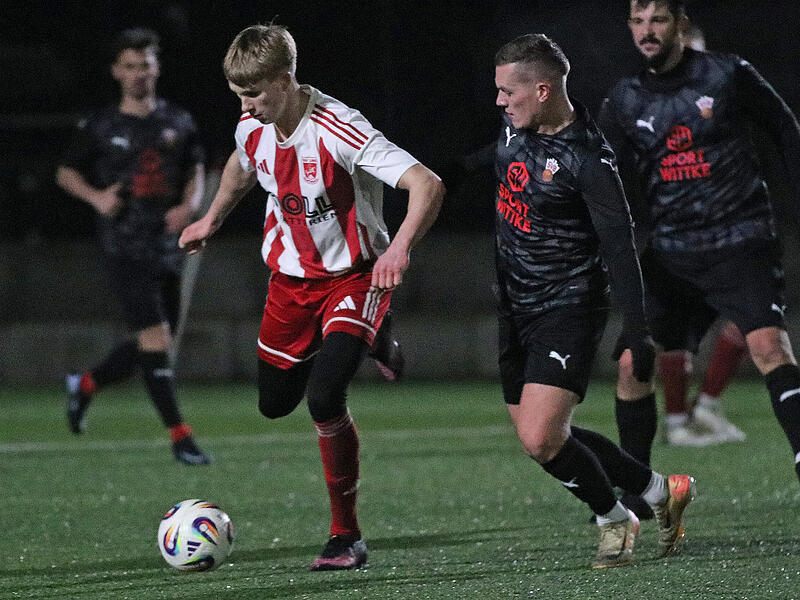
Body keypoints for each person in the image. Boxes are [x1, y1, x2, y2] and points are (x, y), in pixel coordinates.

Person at [178, 23, 444, 570]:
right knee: (275, 404)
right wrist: (212, 218)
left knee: (324, 398)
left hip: (355, 277)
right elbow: (242, 165)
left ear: (285, 80)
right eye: (238, 95)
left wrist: (398, 250)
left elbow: (427, 183)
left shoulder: (339, 128)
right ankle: (376, 339)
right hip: (290, 284)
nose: (245, 106)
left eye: (253, 94)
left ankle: (346, 537)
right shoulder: (253, 125)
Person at [489, 33, 693, 568]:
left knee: (541, 438)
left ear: (543, 90)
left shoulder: (589, 160)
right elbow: (497, 167)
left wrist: (637, 329)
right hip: (513, 306)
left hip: (567, 307)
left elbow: (620, 247)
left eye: (508, 91)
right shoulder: (513, 129)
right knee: (543, 436)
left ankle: (615, 518)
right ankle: (659, 490)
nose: (500, 101)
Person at [599, 0, 800, 499]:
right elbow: (603, 175)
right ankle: (637, 494)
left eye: (658, 20)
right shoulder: (625, 98)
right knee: (631, 364)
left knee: (769, 347)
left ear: (680, 25)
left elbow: (785, 131)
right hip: (671, 252)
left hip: (740, 241)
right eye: (638, 21)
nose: (647, 31)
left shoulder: (728, 74)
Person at [56, 28, 211, 465]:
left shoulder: (177, 121)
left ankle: (85, 384)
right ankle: (181, 437)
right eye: (130, 66)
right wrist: (97, 197)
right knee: (155, 339)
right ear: (116, 72)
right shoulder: (100, 125)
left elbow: (196, 168)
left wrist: (189, 206)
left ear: (156, 68)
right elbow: (65, 173)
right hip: (123, 245)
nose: (139, 73)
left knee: (156, 346)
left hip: (168, 246)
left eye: (145, 64)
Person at [648, 23, 747, 446]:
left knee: (749, 316)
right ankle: (685, 416)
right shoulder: (653, 105)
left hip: (714, 229)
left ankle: (694, 411)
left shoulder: (715, 101)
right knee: (680, 329)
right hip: (685, 234)